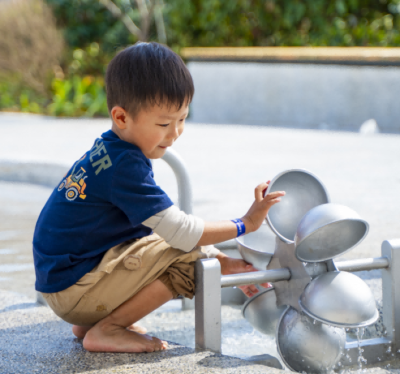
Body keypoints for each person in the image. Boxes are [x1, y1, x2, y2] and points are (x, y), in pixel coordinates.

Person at [33, 42, 285, 354]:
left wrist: (224, 262)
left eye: (182, 119)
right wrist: (245, 223)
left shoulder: (111, 150)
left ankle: (91, 322)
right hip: (74, 289)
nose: (176, 132)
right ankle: (107, 329)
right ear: (122, 117)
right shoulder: (125, 166)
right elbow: (181, 232)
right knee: (187, 263)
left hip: (67, 281)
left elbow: (167, 230)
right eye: (164, 123)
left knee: (184, 245)